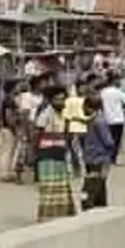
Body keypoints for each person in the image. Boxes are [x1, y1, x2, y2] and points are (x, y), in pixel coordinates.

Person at [33, 86, 75, 221]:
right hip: (47, 155)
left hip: (61, 154)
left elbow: (69, 135)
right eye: (57, 99)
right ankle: (47, 216)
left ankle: (61, 214)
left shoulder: (65, 114)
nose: (60, 102)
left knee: (62, 185)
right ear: (51, 100)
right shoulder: (45, 113)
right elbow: (37, 133)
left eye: (63, 99)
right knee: (49, 187)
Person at [79, 96, 115, 210]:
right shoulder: (93, 120)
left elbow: (108, 141)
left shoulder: (99, 122)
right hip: (92, 157)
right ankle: (100, 205)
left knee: (92, 185)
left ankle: (90, 205)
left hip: (98, 158)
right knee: (99, 184)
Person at [98, 75, 125, 164]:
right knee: (116, 140)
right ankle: (113, 158)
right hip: (118, 119)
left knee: (106, 139)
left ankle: (107, 157)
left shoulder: (102, 92)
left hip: (106, 118)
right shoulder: (119, 92)